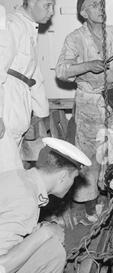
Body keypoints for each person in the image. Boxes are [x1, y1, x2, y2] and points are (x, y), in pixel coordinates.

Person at [55, 0, 113, 220]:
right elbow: (61, 71)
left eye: (102, 3)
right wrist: (87, 65)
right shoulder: (75, 38)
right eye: (94, 5)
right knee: (90, 156)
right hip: (89, 102)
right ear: (84, 12)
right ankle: (90, 205)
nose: (101, 7)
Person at [0, 137, 91, 273]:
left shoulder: (19, 178)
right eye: (74, 178)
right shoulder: (25, 200)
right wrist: (44, 233)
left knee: (49, 250)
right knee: (52, 254)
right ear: (63, 176)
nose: (73, 184)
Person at [0, 0, 55, 173]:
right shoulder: (11, 25)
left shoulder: (29, 29)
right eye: (48, 5)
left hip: (18, 110)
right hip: (7, 108)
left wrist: (43, 117)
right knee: (7, 174)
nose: (52, 11)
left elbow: (35, 77)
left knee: (12, 172)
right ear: (31, 2)